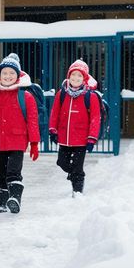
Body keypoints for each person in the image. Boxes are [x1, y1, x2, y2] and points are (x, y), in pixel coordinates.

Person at [0, 54, 40, 213]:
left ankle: (15, 198)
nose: (8, 76)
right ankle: (3, 201)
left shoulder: (26, 96)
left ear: (18, 75)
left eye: (12, 73)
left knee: (13, 171)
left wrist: (34, 143)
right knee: (0, 173)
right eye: (5, 73)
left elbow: (32, 121)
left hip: (17, 142)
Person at [48, 59, 101, 197]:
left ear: (84, 79)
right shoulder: (62, 93)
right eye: (73, 75)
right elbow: (55, 113)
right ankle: (74, 175)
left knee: (78, 168)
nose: (76, 78)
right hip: (64, 138)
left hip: (81, 140)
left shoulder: (91, 96)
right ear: (68, 76)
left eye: (79, 75)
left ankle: (77, 192)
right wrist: (53, 130)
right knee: (61, 162)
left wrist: (92, 139)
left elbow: (95, 119)